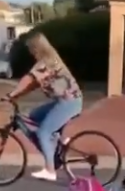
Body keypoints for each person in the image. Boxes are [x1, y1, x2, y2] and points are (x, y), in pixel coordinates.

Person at [2, 32, 82, 181]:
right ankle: (59, 141)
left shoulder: (46, 62)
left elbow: (28, 79)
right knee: (34, 116)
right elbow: (32, 85)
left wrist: (11, 94)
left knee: (43, 133)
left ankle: (50, 170)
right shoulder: (48, 61)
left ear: (37, 48)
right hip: (65, 101)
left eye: (31, 49)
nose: (31, 53)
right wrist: (15, 95)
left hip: (69, 103)